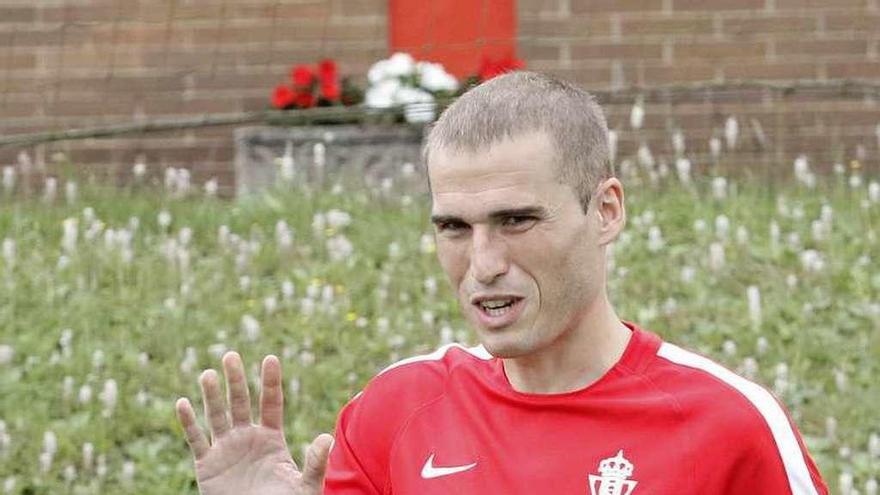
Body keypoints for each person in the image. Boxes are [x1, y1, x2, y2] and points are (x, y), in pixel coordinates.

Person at [175, 71, 829, 494]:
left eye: (516, 220)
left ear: (606, 210)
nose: (483, 262)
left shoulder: (728, 425)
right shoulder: (394, 414)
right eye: (454, 227)